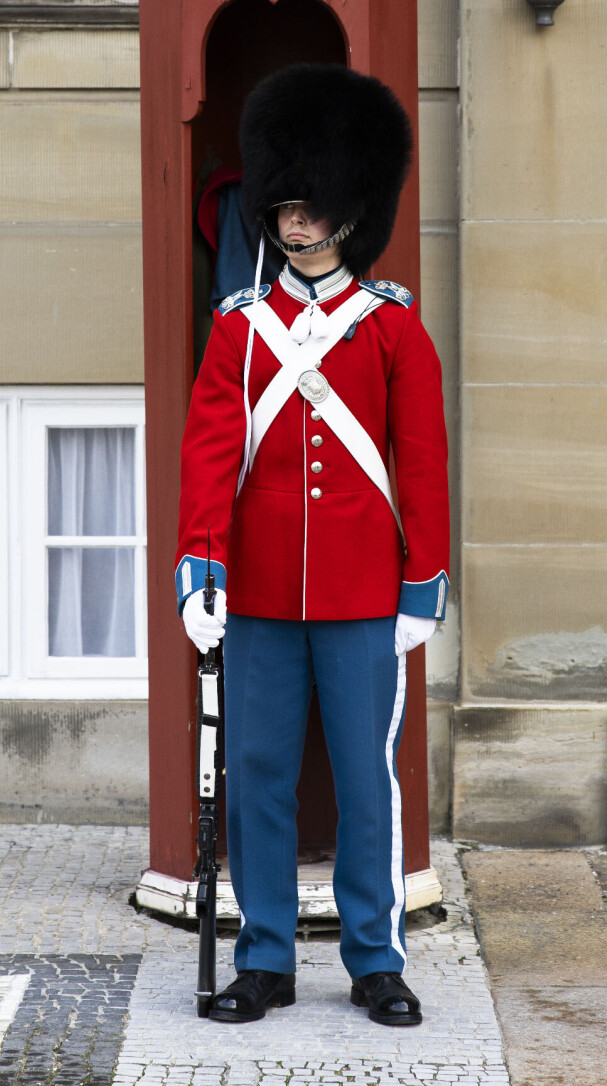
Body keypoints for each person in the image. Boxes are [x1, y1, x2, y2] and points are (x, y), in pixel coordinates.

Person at [174, 63, 450, 1027]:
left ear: (348, 213)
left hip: (365, 594)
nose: (294, 225)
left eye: (312, 208)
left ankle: (376, 960)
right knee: (255, 775)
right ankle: (267, 957)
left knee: (368, 783)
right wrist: (199, 568)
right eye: (284, 207)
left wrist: (422, 587)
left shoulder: (392, 332)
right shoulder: (241, 331)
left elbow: (420, 467)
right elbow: (210, 456)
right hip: (255, 594)